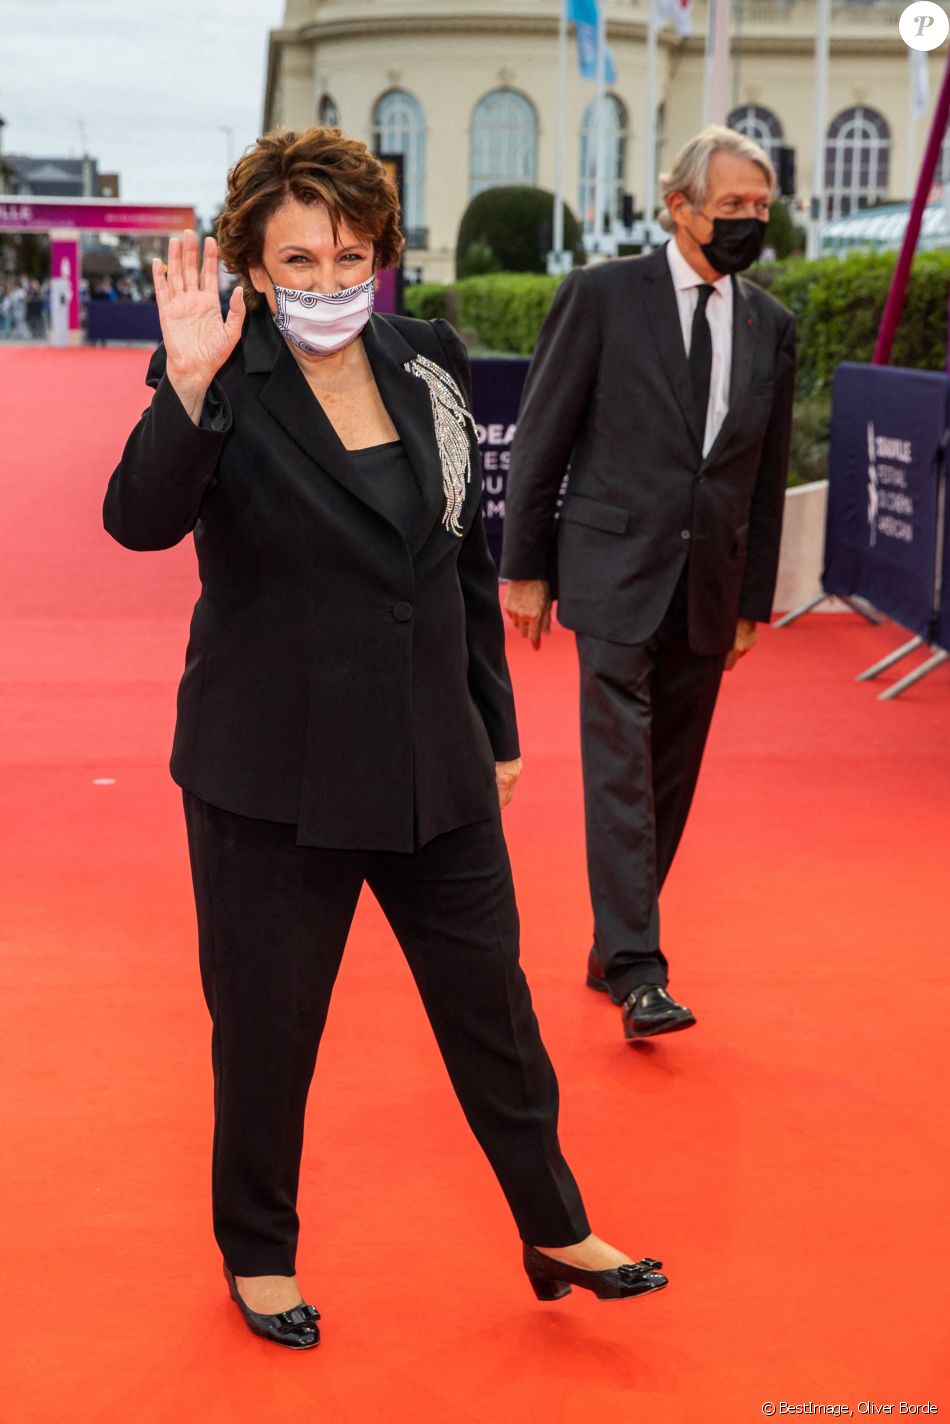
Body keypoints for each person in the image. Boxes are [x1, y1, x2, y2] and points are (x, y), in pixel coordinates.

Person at [103, 126, 667, 1351]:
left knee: (494, 1011)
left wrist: (493, 723)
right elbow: (139, 522)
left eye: (348, 253)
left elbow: (461, 555)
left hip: (433, 757)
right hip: (272, 774)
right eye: (294, 257)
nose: (322, 280)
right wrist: (190, 389)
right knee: (267, 1029)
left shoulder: (428, 360)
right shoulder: (221, 371)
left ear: (385, 256)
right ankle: (258, 1250)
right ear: (251, 263)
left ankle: (552, 1222)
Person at [500, 126, 796, 1044]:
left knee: (669, 777)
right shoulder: (601, 297)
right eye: (733, 205)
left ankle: (612, 946)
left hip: (708, 583)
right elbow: (542, 437)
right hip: (613, 570)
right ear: (679, 206)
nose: (750, 221)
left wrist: (754, 599)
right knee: (622, 770)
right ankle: (638, 969)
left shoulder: (770, 325)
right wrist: (524, 566)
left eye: (762, 206)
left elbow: (766, 470)